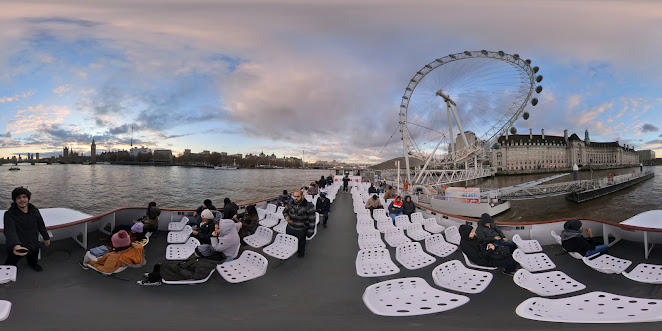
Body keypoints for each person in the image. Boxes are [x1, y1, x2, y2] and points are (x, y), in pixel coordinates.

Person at [3, 187, 50, 271]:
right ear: (15, 200)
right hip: (19, 245)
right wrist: (16, 245)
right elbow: (10, 231)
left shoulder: (34, 210)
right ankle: (8, 270)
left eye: (24, 197)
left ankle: (33, 264)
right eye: (19, 198)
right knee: (11, 262)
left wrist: (46, 237)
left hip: (33, 242)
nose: (22, 200)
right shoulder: (9, 214)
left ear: (28, 199)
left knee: (33, 257)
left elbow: (40, 224)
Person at [137, 244, 225, 286]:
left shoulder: (205, 265)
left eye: (196, 252)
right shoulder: (201, 258)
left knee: (158, 273)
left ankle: (152, 281)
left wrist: (179, 269)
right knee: (158, 266)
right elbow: (191, 262)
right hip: (183, 267)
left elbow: (196, 276)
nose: (194, 252)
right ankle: (153, 275)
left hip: (181, 273)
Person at [284, 190, 316, 257]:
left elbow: (312, 220)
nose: (296, 198)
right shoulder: (290, 203)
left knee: (301, 243)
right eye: (295, 196)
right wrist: (286, 217)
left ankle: (300, 254)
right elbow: (285, 211)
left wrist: (310, 232)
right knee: (290, 242)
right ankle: (290, 252)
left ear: (302, 196)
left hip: (301, 229)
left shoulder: (309, 206)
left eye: (298, 196)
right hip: (290, 227)